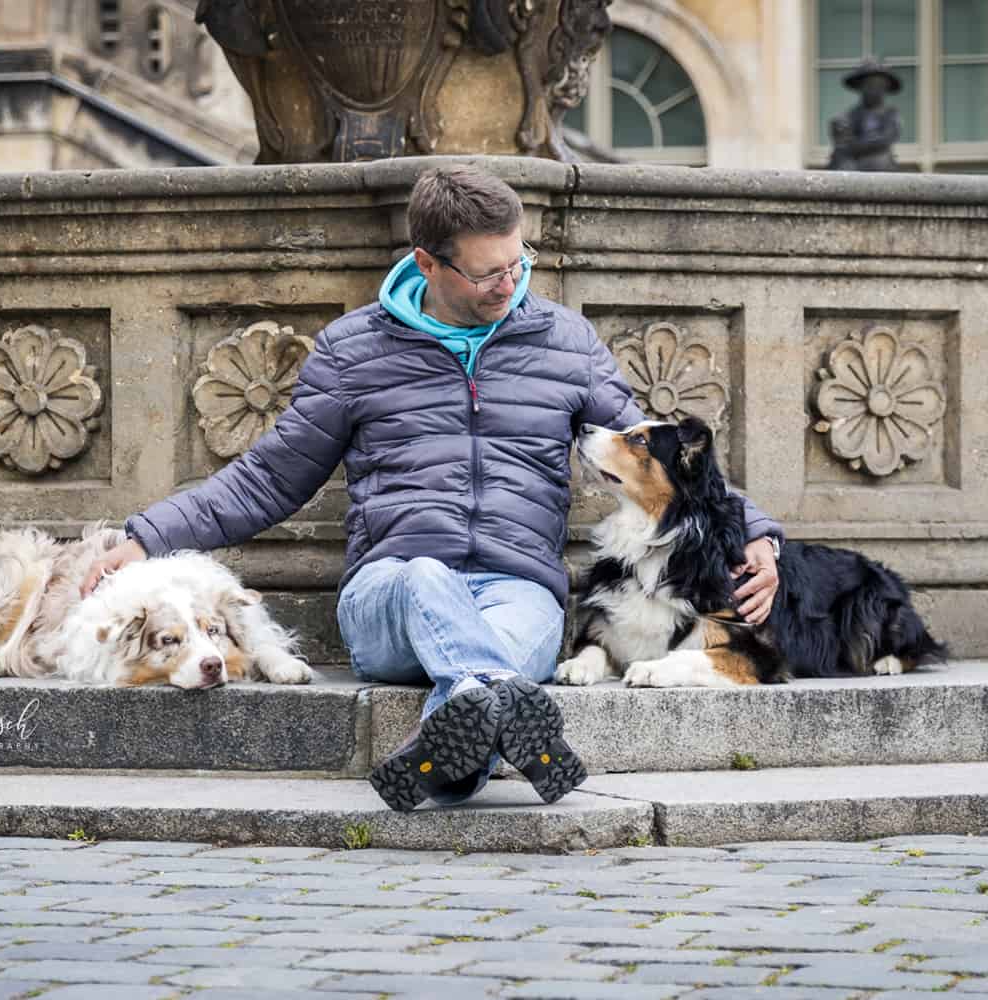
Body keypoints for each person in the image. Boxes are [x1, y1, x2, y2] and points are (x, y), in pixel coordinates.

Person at [82, 165, 783, 811]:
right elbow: (269, 475)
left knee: (488, 666)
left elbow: (657, 453)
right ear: (428, 264)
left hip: (517, 590)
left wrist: (756, 532)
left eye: (518, 264)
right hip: (391, 590)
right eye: (487, 275)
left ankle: (454, 756)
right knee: (425, 577)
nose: (510, 285)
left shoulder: (564, 341)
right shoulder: (354, 350)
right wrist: (148, 536)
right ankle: (498, 712)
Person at [828, 57, 903, 172]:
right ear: (860, 87)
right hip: (853, 162)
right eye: (868, 85)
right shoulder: (852, 114)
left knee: (879, 161)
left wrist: (856, 145)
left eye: (878, 85)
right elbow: (843, 138)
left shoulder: (890, 114)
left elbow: (885, 139)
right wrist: (838, 129)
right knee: (840, 159)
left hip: (879, 163)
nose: (873, 89)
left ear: (885, 88)